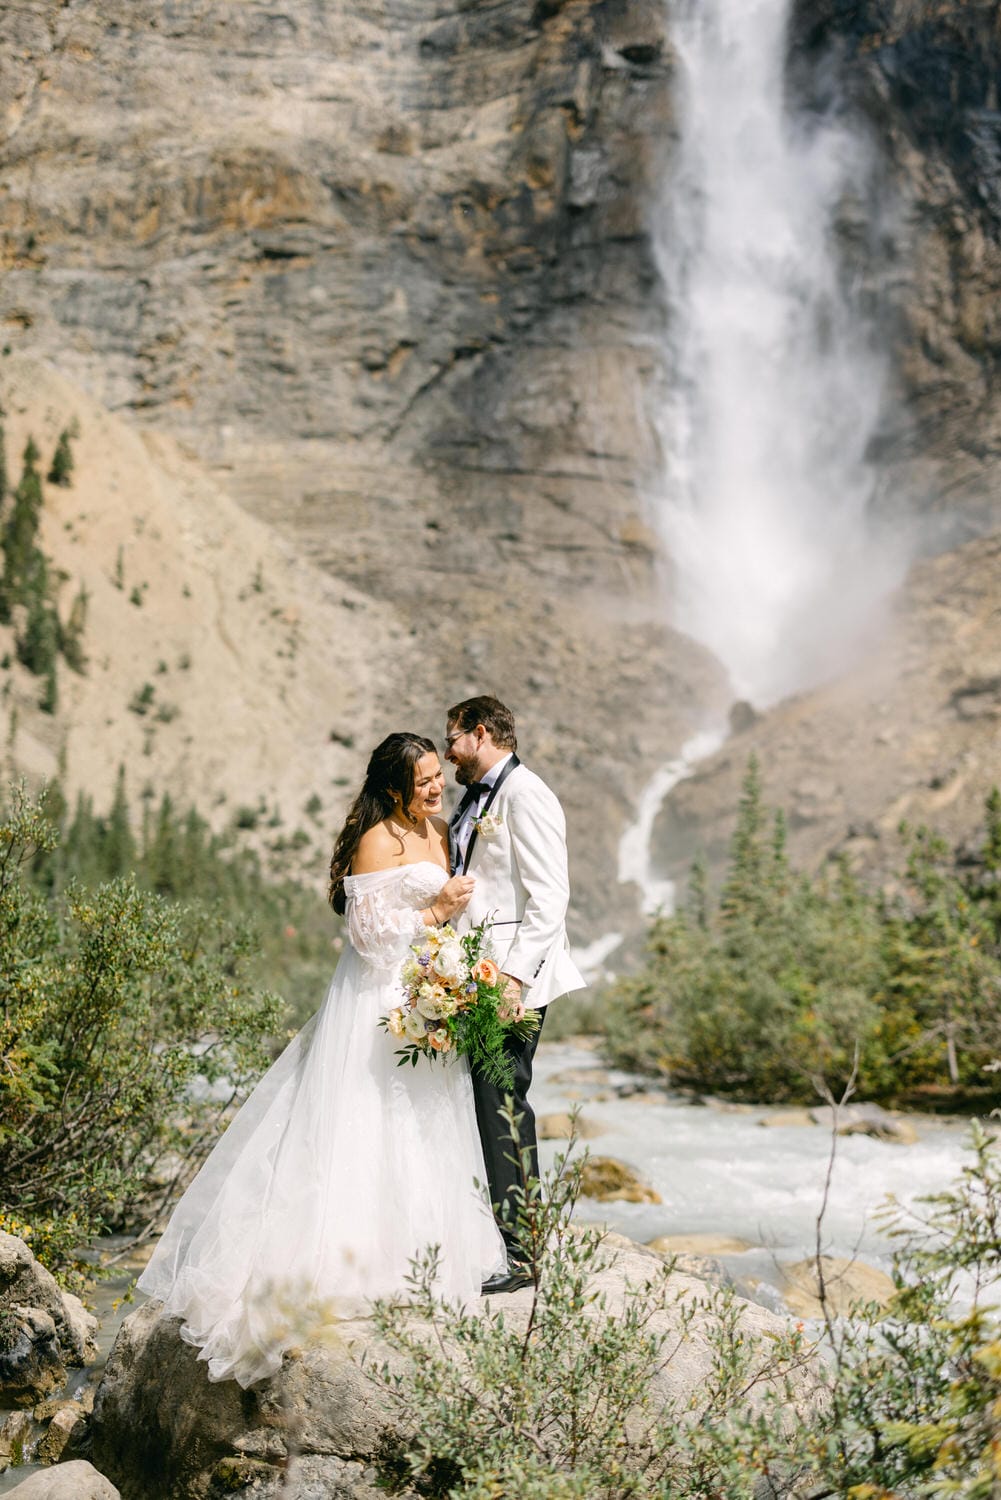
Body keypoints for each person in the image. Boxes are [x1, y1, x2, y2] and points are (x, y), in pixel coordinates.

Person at [137, 732, 506, 1387]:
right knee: (364, 1125)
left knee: (426, 1127)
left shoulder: (442, 832)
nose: (434, 787)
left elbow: (447, 917)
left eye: (436, 778)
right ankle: (347, 1272)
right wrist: (435, 914)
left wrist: (455, 962)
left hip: (427, 996)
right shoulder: (376, 840)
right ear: (393, 787)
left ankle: (420, 1266)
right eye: (422, 780)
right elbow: (366, 939)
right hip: (375, 1002)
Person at [445, 696, 586, 1294]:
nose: (448, 749)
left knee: (502, 1104)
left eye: (452, 738)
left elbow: (550, 898)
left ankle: (523, 1254)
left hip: (509, 982)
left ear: (481, 734)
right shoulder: (476, 798)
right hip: (475, 975)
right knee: (478, 1102)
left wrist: (514, 980)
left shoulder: (527, 795)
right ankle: (491, 1239)